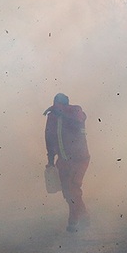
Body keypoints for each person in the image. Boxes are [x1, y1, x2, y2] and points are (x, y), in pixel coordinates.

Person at [44, 93, 90, 232]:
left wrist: (61, 113)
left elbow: (79, 119)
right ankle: (84, 217)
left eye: (60, 105)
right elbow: (49, 139)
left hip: (79, 159)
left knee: (73, 189)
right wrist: (51, 161)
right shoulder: (52, 117)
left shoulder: (76, 111)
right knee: (67, 191)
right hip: (63, 160)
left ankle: (74, 220)